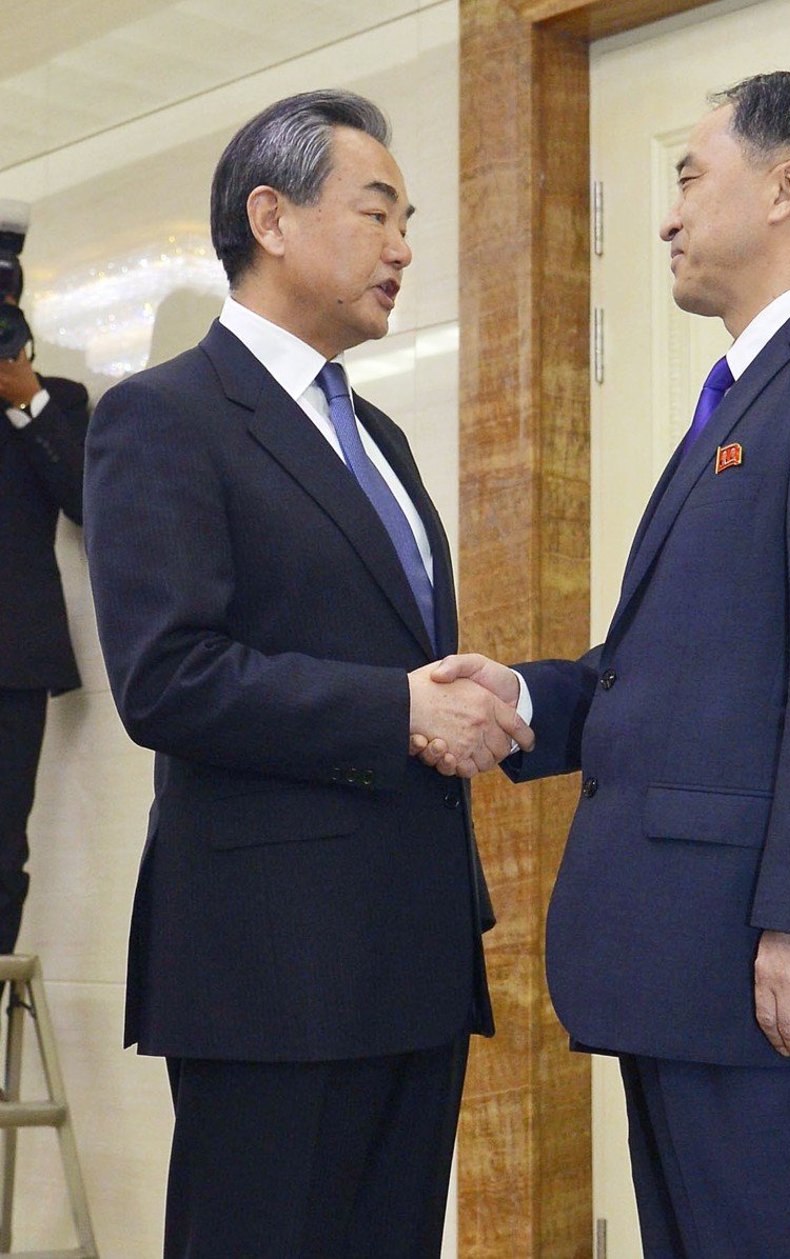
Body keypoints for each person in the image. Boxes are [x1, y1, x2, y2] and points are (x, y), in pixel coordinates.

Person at [424, 72, 790, 1257]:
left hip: (781, 989)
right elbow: (673, 670)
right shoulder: (744, 398)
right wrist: (524, 697)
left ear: (785, 186)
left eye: (686, 176)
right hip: (690, 973)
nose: (667, 217)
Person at [84, 89, 531, 1259]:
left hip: (413, 951)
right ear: (270, 218)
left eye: (411, 217)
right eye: (377, 212)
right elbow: (166, 677)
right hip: (269, 964)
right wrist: (400, 708)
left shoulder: (375, 435)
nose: (404, 246)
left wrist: (465, 704)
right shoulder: (161, 418)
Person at [0, 257, 88, 960]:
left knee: (2, 844)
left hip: (11, 660)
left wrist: (27, 402)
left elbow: (92, 504)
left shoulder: (56, 403)